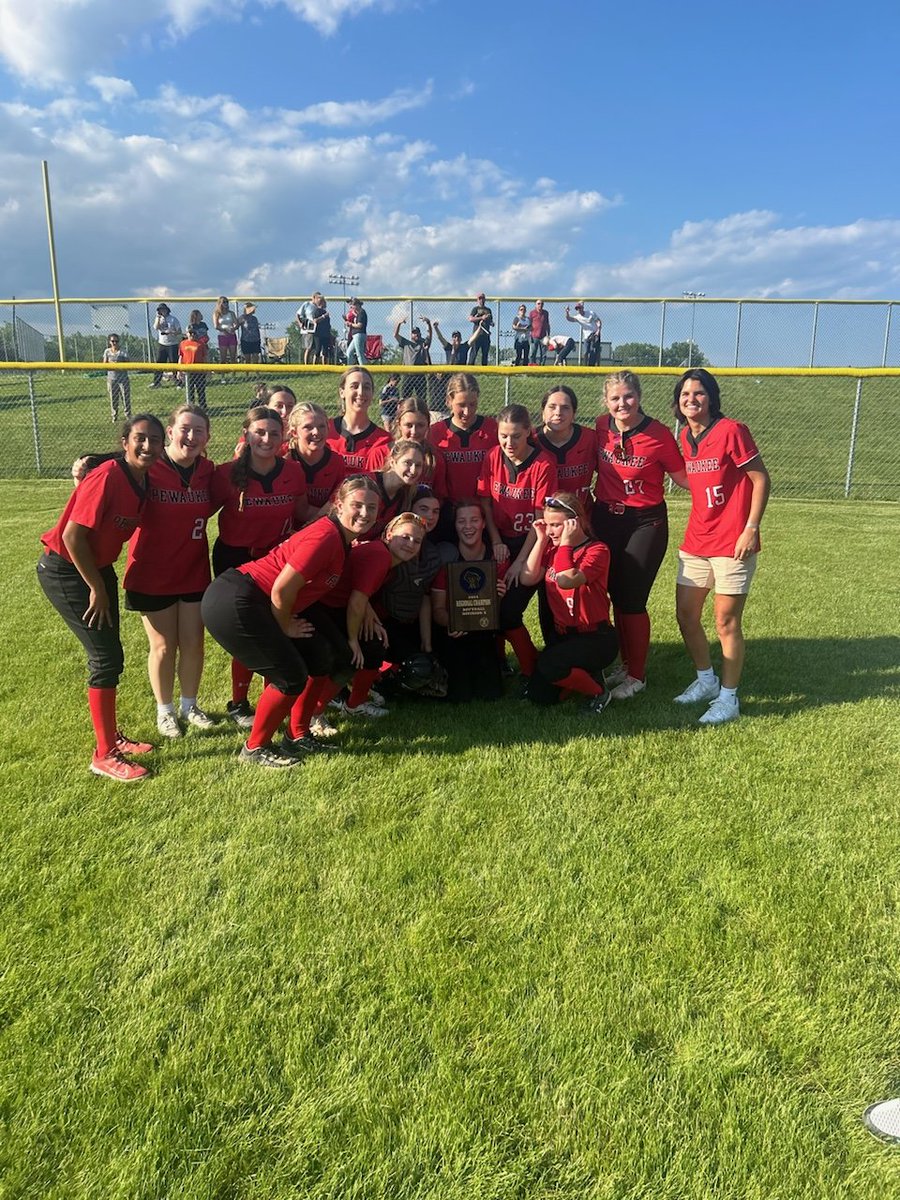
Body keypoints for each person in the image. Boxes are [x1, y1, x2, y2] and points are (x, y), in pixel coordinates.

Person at [201, 477, 381, 768]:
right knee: (290, 676)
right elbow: (282, 589)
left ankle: (297, 735)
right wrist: (284, 626)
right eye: (356, 505)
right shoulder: (326, 536)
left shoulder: (341, 538)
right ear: (338, 505)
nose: (364, 513)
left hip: (257, 599)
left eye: (371, 507)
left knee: (321, 656)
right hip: (238, 599)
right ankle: (255, 748)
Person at [37, 415, 165, 782]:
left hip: (99, 569)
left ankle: (112, 738)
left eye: (155, 440)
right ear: (125, 442)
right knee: (104, 658)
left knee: (112, 655)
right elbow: (73, 537)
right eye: (140, 438)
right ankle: (104, 754)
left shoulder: (142, 478)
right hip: (67, 570)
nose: (147, 446)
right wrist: (95, 587)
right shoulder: (108, 475)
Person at [672, 368, 770, 725]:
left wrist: (750, 528)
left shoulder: (732, 430)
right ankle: (706, 680)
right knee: (686, 615)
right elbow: (699, 480)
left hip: (732, 541)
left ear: (711, 398)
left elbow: (761, 479)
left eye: (699, 393)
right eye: (685, 394)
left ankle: (729, 699)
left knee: (726, 622)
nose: (692, 399)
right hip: (697, 538)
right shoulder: (686, 435)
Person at [118, 405, 219, 738]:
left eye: (198, 430)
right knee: (163, 645)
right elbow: (111, 475)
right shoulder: (148, 466)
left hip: (193, 568)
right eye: (184, 429)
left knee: (193, 642)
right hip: (152, 571)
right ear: (171, 433)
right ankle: (165, 711)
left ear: (207, 437)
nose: (191, 436)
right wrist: (84, 468)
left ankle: (190, 705)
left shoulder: (208, 471)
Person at [211, 406, 309, 728]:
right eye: (260, 433)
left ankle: (273, 694)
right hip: (234, 559)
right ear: (247, 435)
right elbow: (197, 507)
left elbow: (302, 513)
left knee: (272, 628)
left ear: (284, 437)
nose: (267, 439)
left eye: (274, 433)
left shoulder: (293, 471)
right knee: (247, 631)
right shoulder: (227, 473)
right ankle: (238, 702)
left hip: (274, 559)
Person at [593, 370, 688, 700]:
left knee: (632, 598)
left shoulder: (658, 433)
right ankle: (625, 663)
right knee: (614, 593)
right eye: (615, 398)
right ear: (606, 401)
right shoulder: (601, 426)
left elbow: (684, 478)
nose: (622, 403)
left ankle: (637, 675)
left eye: (628, 396)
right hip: (606, 517)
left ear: (639, 396)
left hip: (645, 522)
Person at [477, 403, 558, 677]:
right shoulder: (493, 456)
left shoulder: (543, 464)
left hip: (532, 544)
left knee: (509, 612)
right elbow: (486, 503)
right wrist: (496, 541)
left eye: (516, 436)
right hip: (500, 540)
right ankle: (499, 663)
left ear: (528, 432)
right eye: (503, 436)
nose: (509, 443)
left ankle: (532, 669)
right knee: (492, 605)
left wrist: (519, 561)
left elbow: (540, 520)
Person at [519, 492, 618, 713]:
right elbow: (527, 578)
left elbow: (566, 580)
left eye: (556, 525)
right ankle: (584, 674)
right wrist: (541, 539)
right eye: (547, 524)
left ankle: (598, 692)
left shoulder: (597, 550)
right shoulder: (552, 548)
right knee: (540, 696)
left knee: (551, 665)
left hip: (595, 638)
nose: (550, 530)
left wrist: (565, 545)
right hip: (564, 636)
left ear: (576, 522)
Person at [431, 500, 508, 702]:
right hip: (453, 632)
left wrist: (499, 597)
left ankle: (497, 662)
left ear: (483, 523)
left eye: (474, 520)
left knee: (491, 694)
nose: (468, 526)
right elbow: (437, 609)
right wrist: (450, 623)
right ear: (455, 525)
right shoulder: (447, 559)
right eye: (461, 521)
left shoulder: (496, 559)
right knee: (459, 695)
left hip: (484, 631)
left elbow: (497, 614)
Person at [430, 373, 498, 506]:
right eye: (461, 405)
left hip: (483, 508)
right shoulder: (435, 432)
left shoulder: (493, 429)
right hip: (448, 508)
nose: (467, 411)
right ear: (449, 400)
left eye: (472, 404)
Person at [287, 402, 347, 516]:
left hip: (323, 522)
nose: (316, 432)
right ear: (294, 432)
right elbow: (300, 511)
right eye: (308, 427)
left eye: (321, 426)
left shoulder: (336, 461)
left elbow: (336, 503)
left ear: (328, 428)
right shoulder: (285, 459)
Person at [326, 367, 391, 472]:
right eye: (354, 386)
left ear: (372, 393)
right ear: (342, 392)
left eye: (366, 387)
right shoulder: (325, 430)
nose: (360, 392)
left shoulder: (384, 440)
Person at [394, 317, 432, 404]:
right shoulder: (406, 343)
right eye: (414, 333)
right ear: (411, 335)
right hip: (408, 375)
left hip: (420, 375)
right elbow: (395, 335)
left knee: (422, 400)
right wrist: (399, 323)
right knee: (404, 399)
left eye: (417, 332)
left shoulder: (423, 343)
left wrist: (428, 323)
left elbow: (430, 335)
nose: (416, 334)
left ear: (420, 333)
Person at [178, 319, 209, 409]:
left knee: (201, 390)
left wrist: (207, 371)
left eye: (194, 333)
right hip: (188, 371)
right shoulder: (183, 344)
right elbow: (181, 357)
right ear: (186, 334)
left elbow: (205, 357)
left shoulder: (200, 344)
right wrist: (179, 371)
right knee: (190, 390)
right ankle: (191, 406)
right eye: (190, 333)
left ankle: (203, 406)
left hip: (199, 371)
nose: (192, 335)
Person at [151, 304, 182, 387]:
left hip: (172, 344)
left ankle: (178, 382)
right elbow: (156, 327)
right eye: (161, 310)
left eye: (164, 309)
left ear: (167, 310)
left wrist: (171, 332)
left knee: (174, 363)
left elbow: (179, 331)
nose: (163, 311)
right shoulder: (158, 319)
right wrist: (158, 318)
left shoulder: (173, 319)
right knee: (159, 363)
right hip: (162, 344)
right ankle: (156, 382)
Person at [102, 335, 130, 421]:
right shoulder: (107, 351)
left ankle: (128, 415)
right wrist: (111, 364)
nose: (114, 343)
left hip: (123, 378)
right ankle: (114, 416)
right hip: (112, 378)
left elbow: (128, 364)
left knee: (125, 398)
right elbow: (104, 364)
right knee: (113, 398)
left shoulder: (123, 352)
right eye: (113, 341)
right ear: (109, 342)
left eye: (116, 341)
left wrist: (118, 364)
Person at [565, 301, 602, 366]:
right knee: (586, 352)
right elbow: (569, 319)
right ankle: (585, 366)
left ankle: (591, 366)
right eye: (577, 308)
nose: (578, 310)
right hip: (587, 336)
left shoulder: (590, 313)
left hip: (595, 334)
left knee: (593, 351)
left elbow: (598, 321)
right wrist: (567, 312)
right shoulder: (578, 317)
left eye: (579, 308)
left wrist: (598, 330)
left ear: (582, 308)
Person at [213, 296, 238, 372]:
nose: (226, 303)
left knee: (233, 356)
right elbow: (216, 326)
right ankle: (223, 374)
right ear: (220, 303)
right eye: (224, 302)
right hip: (222, 336)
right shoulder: (217, 313)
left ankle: (234, 374)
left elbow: (236, 324)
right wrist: (224, 330)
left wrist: (233, 328)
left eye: (227, 302)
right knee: (223, 357)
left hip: (232, 335)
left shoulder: (231, 313)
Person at [467, 293, 493, 366]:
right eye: (480, 298)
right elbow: (470, 319)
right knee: (473, 353)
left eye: (483, 298)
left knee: (485, 354)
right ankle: (469, 369)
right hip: (477, 335)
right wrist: (481, 318)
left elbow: (490, 321)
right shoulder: (475, 309)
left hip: (486, 335)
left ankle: (484, 370)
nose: (481, 300)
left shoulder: (488, 310)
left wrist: (491, 323)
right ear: (477, 300)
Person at [344, 296, 368, 365]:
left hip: (359, 335)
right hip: (355, 335)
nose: (352, 307)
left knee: (359, 354)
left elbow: (359, 325)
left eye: (353, 305)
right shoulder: (358, 313)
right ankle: (350, 368)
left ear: (357, 305)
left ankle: (364, 368)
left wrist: (350, 324)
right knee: (349, 353)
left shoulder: (361, 312)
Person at [296, 293, 318, 364]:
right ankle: (306, 364)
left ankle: (313, 364)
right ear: (313, 297)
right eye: (317, 298)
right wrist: (300, 323)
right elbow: (297, 314)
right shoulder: (307, 304)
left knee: (315, 348)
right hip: (308, 329)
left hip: (316, 329)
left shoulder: (318, 307)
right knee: (309, 347)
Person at [311, 294, 332, 364]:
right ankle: (314, 366)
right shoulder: (316, 311)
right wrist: (324, 316)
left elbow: (328, 325)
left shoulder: (325, 312)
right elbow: (315, 320)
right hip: (318, 334)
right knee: (318, 350)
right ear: (321, 303)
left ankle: (325, 367)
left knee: (325, 351)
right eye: (324, 302)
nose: (326, 304)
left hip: (326, 334)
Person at [529, 299, 550, 365]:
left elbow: (547, 324)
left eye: (541, 304)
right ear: (535, 305)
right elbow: (529, 324)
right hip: (534, 336)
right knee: (533, 353)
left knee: (544, 353)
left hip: (543, 336)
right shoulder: (532, 313)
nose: (540, 305)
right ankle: (533, 365)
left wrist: (548, 335)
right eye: (538, 303)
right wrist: (530, 334)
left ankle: (542, 366)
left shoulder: (545, 313)